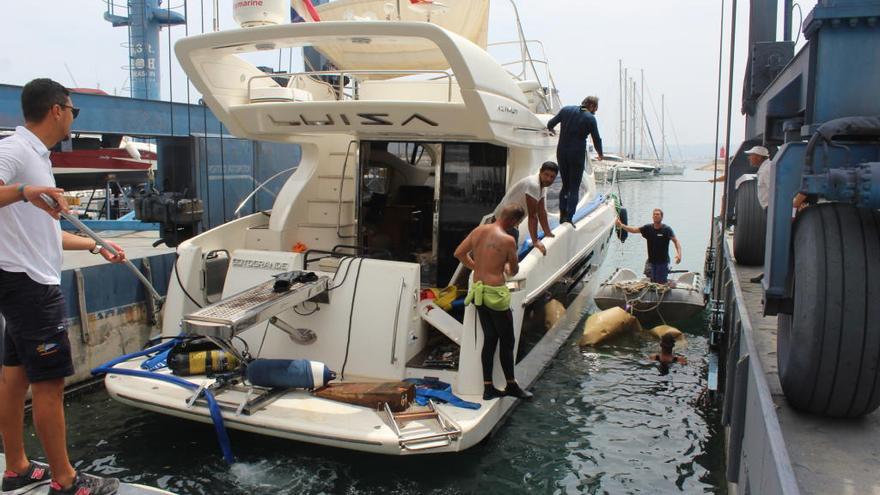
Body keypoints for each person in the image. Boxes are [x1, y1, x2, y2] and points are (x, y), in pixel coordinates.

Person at [0, 78, 126, 495]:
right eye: (74, 109)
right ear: (57, 109)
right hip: (30, 285)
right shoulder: (16, 150)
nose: (74, 117)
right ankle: (66, 480)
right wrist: (24, 190)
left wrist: (97, 245)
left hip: (25, 280)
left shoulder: (37, 156)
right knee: (50, 383)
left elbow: (45, 233)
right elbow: (19, 195)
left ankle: (17, 466)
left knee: (15, 376)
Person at [454, 204, 533, 401]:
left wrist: (477, 266)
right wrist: (505, 266)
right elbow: (513, 270)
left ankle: (488, 387)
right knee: (507, 340)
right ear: (515, 221)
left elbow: (459, 253)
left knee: (490, 338)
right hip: (495, 294)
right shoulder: (508, 240)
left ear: (500, 215)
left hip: (478, 291)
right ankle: (511, 385)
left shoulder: (479, 230)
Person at [546, 96, 603, 225]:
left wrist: (551, 130)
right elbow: (596, 139)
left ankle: (562, 215)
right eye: (596, 108)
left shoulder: (566, 110)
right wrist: (600, 153)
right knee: (574, 188)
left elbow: (550, 123)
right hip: (576, 154)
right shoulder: (590, 118)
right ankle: (569, 218)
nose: (596, 111)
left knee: (565, 186)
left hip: (561, 152)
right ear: (591, 106)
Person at [492, 161, 558, 256]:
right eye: (546, 175)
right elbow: (533, 216)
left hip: (511, 222)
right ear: (540, 172)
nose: (548, 179)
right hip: (503, 222)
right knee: (508, 257)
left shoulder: (542, 185)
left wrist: (548, 232)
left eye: (552, 177)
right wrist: (535, 241)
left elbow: (541, 211)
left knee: (508, 255)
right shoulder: (534, 185)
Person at [617, 208, 682, 284]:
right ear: (652, 217)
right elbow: (634, 230)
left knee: (660, 283)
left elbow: (676, 241)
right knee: (653, 283)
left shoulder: (666, 229)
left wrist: (679, 255)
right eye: (654, 214)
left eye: (657, 214)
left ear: (661, 217)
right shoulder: (648, 228)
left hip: (663, 262)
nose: (655, 216)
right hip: (651, 262)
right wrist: (622, 225)